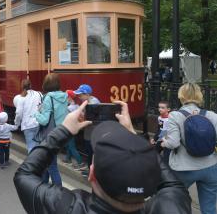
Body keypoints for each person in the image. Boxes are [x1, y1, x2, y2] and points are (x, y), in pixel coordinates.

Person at [14, 101, 192, 214]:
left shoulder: (64, 206)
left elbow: (24, 175)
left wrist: (64, 130)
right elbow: (173, 185)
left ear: (91, 174)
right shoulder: (171, 207)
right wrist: (132, 135)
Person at [161, 83, 217, 214]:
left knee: (178, 203)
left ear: (181, 96)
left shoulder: (175, 115)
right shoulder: (212, 115)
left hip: (184, 168)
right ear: (199, 96)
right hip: (210, 167)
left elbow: (173, 143)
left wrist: (164, 143)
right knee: (209, 208)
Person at [34, 73, 68, 186]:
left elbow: (44, 120)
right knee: (47, 162)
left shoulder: (49, 97)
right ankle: (42, 185)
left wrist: (36, 113)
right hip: (60, 133)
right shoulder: (64, 96)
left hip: (50, 136)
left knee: (52, 165)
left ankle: (58, 191)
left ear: (46, 84)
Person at [74, 84, 100, 176]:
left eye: (81, 95)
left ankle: (92, 173)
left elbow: (88, 119)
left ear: (87, 94)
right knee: (90, 153)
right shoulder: (90, 102)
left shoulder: (92, 104)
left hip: (91, 134)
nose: (79, 97)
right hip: (90, 133)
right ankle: (90, 170)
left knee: (91, 153)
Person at [14, 79, 42, 153]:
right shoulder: (38, 94)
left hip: (27, 125)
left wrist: (17, 124)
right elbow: (42, 105)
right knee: (37, 146)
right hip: (37, 123)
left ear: (22, 86)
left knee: (31, 147)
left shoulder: (21, 98)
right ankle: (39, 162)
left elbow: (19, 113)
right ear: (30, 85)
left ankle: (33, 163)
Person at [62, 90, 85, 170]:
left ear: (69, 97)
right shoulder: (77, 106)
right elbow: (81, 115)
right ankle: (67, 159)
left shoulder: (68, 108)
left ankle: (80, 163)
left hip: (68, 129)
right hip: (75, 128)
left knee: (71, 146)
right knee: (69, 144)